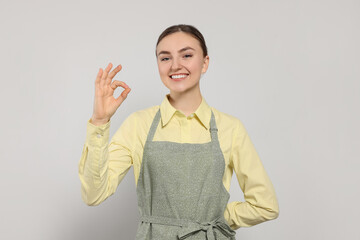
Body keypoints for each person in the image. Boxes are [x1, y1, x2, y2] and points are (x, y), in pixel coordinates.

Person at [78, 24, 279, 239]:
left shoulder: (230, 128)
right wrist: (100, 121)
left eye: (187, 55)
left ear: (205, 63)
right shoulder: (138, 125)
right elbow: (94, 194)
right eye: (165, 58)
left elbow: (265, 205)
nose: (175, 65)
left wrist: (217, 219)